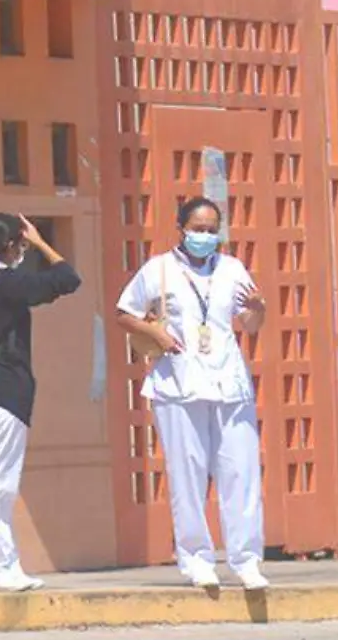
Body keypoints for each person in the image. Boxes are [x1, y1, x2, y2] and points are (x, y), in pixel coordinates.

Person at [115, 196, 270, 591]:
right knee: (187, 474)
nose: (204, 236)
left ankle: (246, 560)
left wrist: (258, 308)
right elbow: (124, 312)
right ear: (181, 228)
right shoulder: (159, 269)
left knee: (241, 471)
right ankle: (197, 559)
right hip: (178, 383)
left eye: (211, 229)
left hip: (228, 381)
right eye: (197, 228)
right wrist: (156, 334)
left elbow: (249, 324)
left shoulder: (232, 268)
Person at [0, 213, 82, 591]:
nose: (25, 251)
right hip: (3, 393)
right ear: (10, 246)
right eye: (22, 245)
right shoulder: (6, 283)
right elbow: (68, 280)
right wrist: (42, 243)